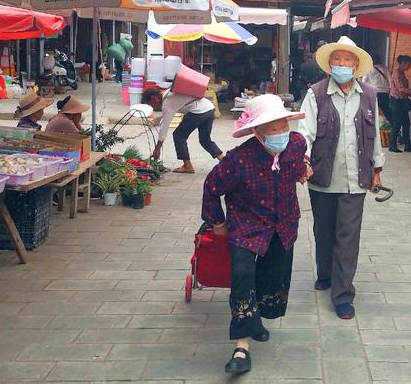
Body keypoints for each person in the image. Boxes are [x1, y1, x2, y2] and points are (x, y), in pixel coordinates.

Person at [202, 95, 308, 374]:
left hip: (283, 224)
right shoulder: (238, 160)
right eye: (273, 128)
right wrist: (217, 222)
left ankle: (257, 319)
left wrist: (302, 172)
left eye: (284, 124)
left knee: (271, 276)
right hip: (246, 225)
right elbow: (211, 187)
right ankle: (242, 346)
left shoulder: (296, 145)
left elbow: (297, 168)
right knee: (243, 277)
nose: (282, 133)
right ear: (257, 133)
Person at [299, 36, 384, 320]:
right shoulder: (316, 93)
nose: (342, 64)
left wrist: (377, 170)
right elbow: (305, 131)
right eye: (337, 59)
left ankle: (343, 294)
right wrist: (304, 160)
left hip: (355, 178)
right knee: (323, 232)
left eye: (348, 60)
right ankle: (325, 274)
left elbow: (375, 139)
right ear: (329, 64)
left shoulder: (370, 95)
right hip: (322, 175)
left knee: (347, 236)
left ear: (356, 65)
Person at [141, 87, 222, 174]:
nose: (153, 107)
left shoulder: (168, 102)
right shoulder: (170, 91)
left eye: (151, 104)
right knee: (205, 140)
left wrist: (157, 148)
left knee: (178, 135)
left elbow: (164, 126)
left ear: (154, 98)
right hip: (209, 109)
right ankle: (224, 160)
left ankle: (187, 166)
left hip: (198, 112)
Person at [389, 55, 411, 153]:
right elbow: (400, 88)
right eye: (408, 64)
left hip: (402, 100)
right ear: (402, 63)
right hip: (397, 101)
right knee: (397, 123)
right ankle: (392, 145)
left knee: (406, 123)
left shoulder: (402, 73)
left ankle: (407, 145)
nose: (409, 67)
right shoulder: (396, 74)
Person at [362, 53, 391, 119]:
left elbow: (364, 81)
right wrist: (389, 89)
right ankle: (388, 125)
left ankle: (374, 125)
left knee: (372, 111)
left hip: (373, 92)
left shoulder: (369, 69)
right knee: (386, 111)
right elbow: (390, 80)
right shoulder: (384, 68)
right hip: (384, 93)